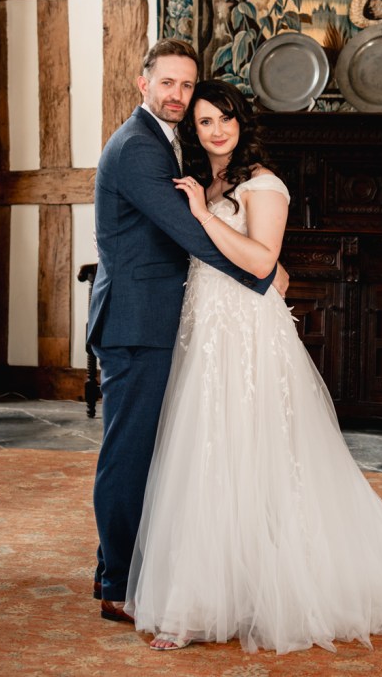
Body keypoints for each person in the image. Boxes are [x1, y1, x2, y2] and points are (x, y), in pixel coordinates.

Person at [124, 80, 382, 654]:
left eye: (226, 118)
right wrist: (199, 207)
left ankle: (258, 592)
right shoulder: (208, 182)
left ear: (243, 123)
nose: (216, 130)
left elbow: (263, 262)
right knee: (206, 451)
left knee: (251, 451)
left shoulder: (264, 184)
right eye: (205, 120)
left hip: (246, 332)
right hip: (206, 327)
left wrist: (200, 215)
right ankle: (202, 599)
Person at [88, 40, 284, 624]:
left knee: (157, 453)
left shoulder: (169, 144)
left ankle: (133, 568)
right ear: (142, 82)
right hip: (136, 322)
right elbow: (188, 232)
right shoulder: (137, 149)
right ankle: (116, 583)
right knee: (129, 454)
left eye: (185, 86)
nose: (176, 95)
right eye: (166, 83)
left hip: (159, 318)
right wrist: (263, 276)